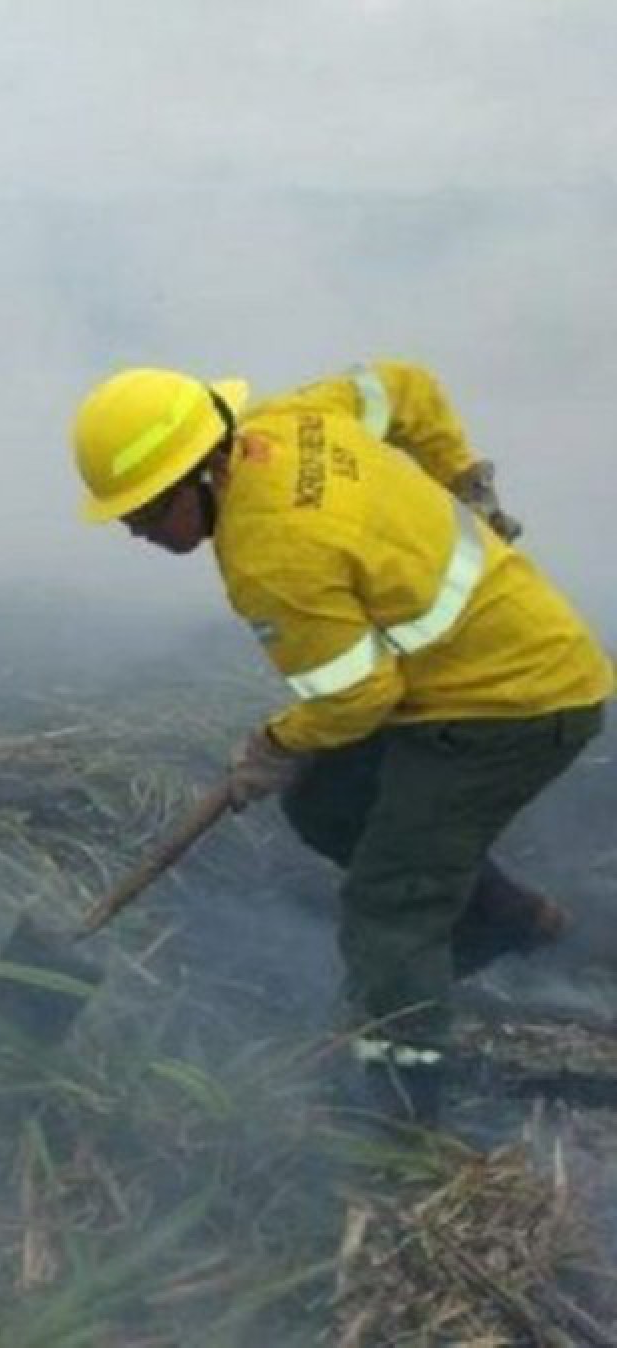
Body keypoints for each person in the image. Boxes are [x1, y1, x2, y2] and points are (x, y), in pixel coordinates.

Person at [70, 359, 610, 1124]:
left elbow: (357, 698)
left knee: (390, 904)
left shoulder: (272, 558)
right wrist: (465, 481)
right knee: (327, 800)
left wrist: (272, 744)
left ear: (203, 473)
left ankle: (401, 1103)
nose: (135, 532)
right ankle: (509, 919)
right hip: (472, 672)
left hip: (511, 707)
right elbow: (406, 383)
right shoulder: (291, 422)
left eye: (147, 513)